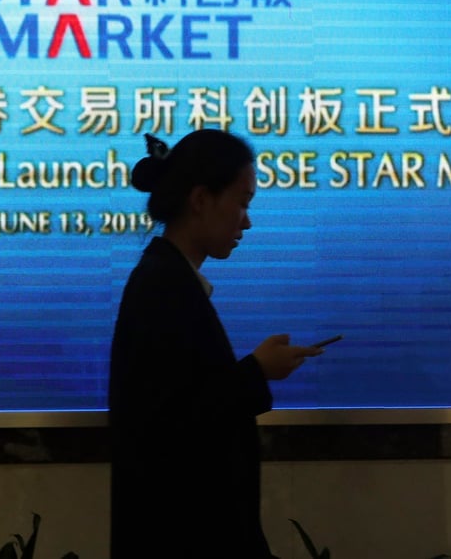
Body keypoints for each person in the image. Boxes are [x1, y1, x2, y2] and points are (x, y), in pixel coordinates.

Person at [108, 130, 321, 559]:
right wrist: (257, 370)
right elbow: (172, 423)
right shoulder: (162, 287)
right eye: (242, 202)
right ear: (201, 199)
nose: (247, 220)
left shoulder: (169, 280)